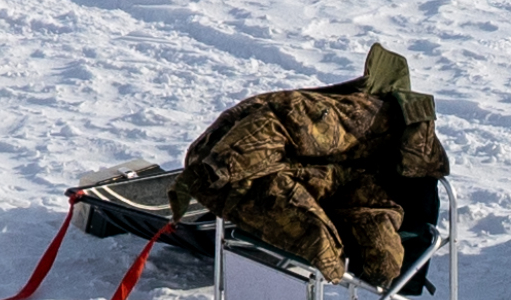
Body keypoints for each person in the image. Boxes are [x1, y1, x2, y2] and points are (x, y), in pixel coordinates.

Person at [172, 43, 439, 284]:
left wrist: (383, 259)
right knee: (318, 241)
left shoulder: (376, 160)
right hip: (224, 152)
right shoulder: (361, 118)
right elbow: (278, 122)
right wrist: (214, 168)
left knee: (325, 240)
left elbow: (366, 203)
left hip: (272, 166)